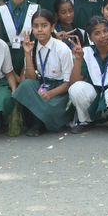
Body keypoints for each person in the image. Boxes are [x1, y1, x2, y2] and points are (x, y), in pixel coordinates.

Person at [13, 8, 74, 136]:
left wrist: (50, 94)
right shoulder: (32, 46)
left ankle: (40, 123)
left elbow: (68, 83)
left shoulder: (62, 49)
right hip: (42, 86)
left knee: (51, 108)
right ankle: (37, 123)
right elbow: (31, 78)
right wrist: (27, 53)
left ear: (52, 27)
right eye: (36, 26)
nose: (39, 29)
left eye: (44, 25)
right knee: (25, 86)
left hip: (58, 90)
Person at [68, 17, 108, 133]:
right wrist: (78, 59)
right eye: (97, 33)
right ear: (90, 38)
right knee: (76, 88)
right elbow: (74, 82)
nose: (103, 36)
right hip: (94, 94)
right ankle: (86, 121)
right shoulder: (86, 52)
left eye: (105, 31)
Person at [0, 0, 37, 77]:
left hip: (28, 57)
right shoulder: (0, 10)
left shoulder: (35, 8)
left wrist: (24, 71)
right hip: (5, 59)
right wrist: (12, 74)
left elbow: (35, 40)